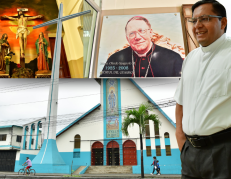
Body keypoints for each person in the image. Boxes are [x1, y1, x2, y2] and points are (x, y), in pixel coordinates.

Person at [174, 0, 230, 179]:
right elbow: (181, 102)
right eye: (194, 20)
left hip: (223, 152)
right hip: (190, 154)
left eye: (204, 19)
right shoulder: (190, 58)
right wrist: (181, 141)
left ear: (222, 22)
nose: (197, 25)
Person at [100, 16, 183, 77]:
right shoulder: (114, 59)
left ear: (150, 33)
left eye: (142, 31)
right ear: (127, 38)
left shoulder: (173, 58)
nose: (137, 37)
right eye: (131, 33)